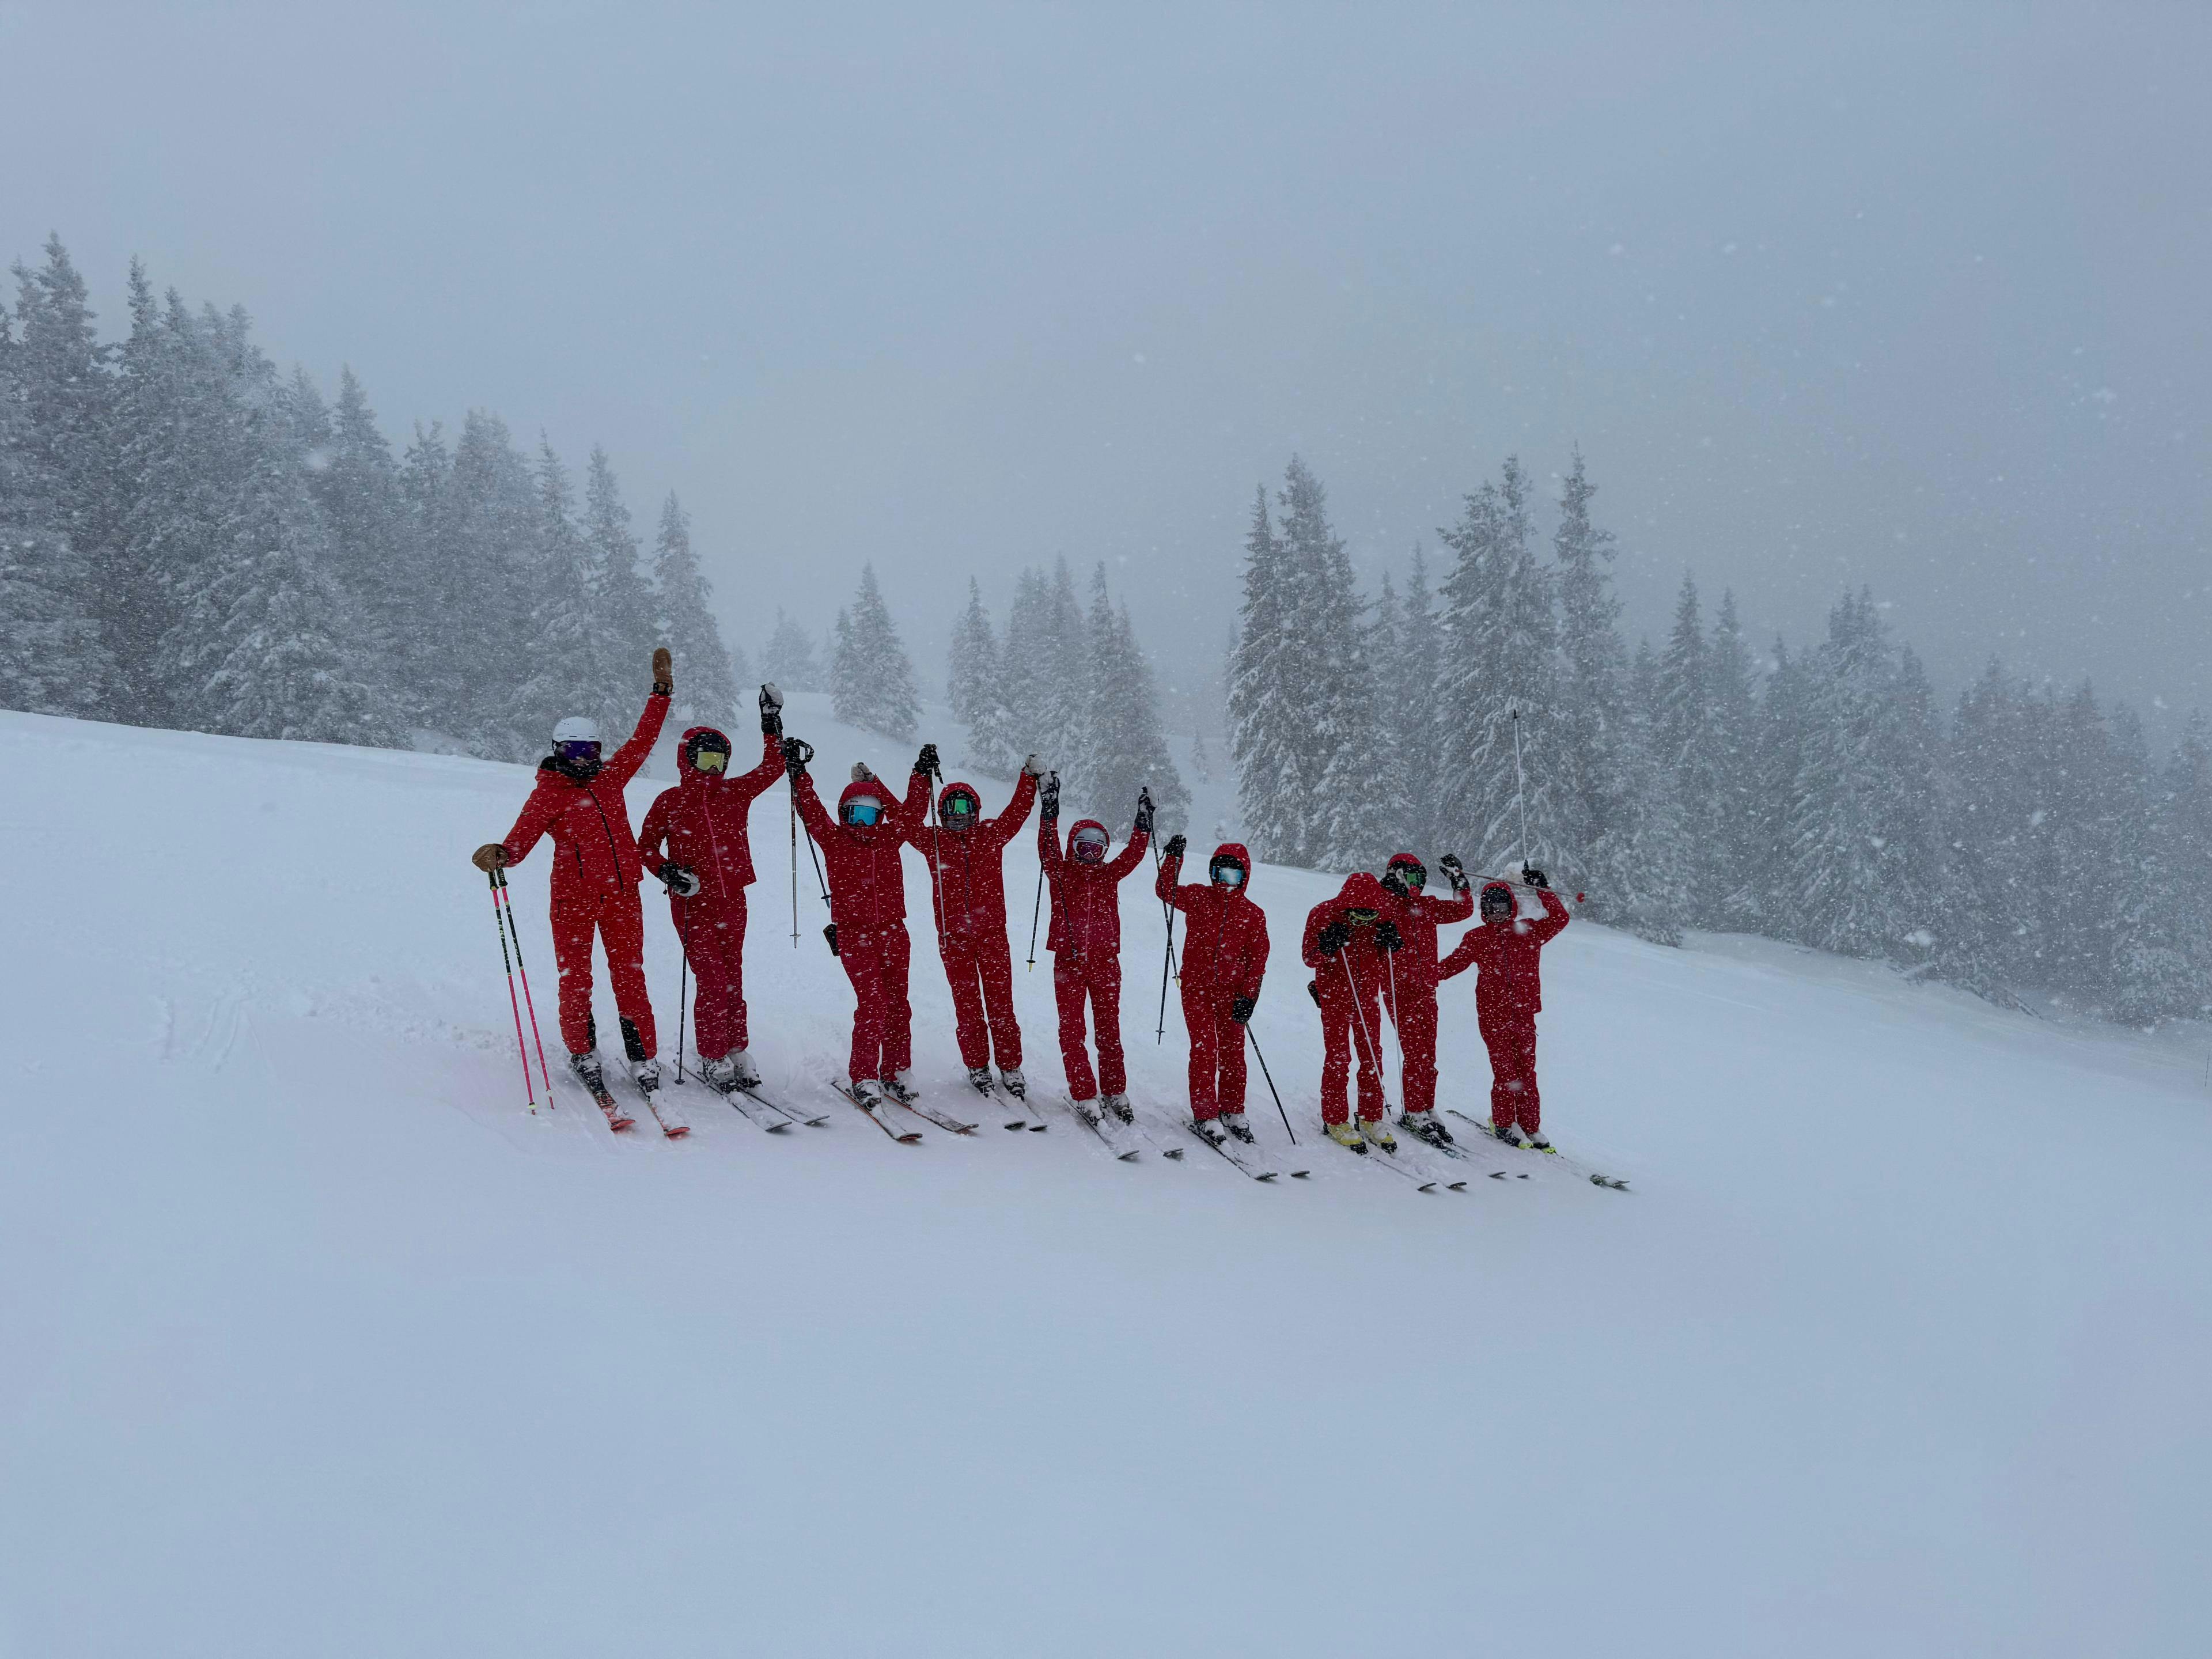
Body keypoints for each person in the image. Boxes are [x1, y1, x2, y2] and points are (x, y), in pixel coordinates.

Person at [472, 649, 673, 1100]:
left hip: (623, 896)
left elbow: (643, 740)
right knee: (576, 979)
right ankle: (583, 1052)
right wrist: (501, 853)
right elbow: (520, 839)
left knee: (630, 976)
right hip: (573, 901)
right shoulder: (549, 793)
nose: (584, 758)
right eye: (574, 750)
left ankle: (643, 1057)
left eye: (592, 750)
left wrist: (661, 693)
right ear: (558, 751)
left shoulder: (610, 779)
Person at [636, 685, 789, 1093]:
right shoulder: (670, 801)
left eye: (719, 759)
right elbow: (645, 848)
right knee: (712, 979)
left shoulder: (735, 793)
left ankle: (737, 1048)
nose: (713, 767)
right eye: (705, 759)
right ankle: (712, 1053)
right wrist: (668, 872)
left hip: (733, 900)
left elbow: (773, 768)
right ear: (687, 760)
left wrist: (770, 723)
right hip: (691, 905)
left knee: (733, 977)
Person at [788, 740, 927, 1109]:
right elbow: (811, 811)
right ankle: (864, 1075)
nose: (863, 823)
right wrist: (800, 775)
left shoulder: (891, 838)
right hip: (855, 934)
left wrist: (921, 775)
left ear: (880, 817)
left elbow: (912, 815)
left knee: (899, 1003)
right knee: (873, 1004)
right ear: (844, 814)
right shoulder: (833, 839)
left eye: (871, 815)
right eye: (856, 814)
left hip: (895, 932)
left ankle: (897, 1071)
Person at [906, 746, 1042, 1097]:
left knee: (1001, 1004)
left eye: (966, 807)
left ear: (977, 811)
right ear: (941, 811)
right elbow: (905, 822)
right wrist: (921, 775)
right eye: (951, 808)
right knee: (967, 1005)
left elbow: (1017, 813)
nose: (958, 815)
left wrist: (1028, 779)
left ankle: (1010, 1067)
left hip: (992, 935)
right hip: (954, 939)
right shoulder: (933, 841)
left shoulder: (991, 835)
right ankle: (978, 1065)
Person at [1038, 778, 1153, 1120]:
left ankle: (1115, 1091)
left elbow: (1134, 854)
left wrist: (1142, 822)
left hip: (1106, 963)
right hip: (1068, 963)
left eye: (1097, 847)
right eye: (1083, 846)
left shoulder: (1109, 875)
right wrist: (1049, 813)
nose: (1090, 853)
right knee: (1072, 1031)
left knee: (1109, 1031)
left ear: (1104, 851)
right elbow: (1046, 846)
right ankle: (1084, 1093)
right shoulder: (1059, 871)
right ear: (1073, 847)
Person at [1437, 868, 1571, 1149]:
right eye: (1490, 908)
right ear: (1484, 910)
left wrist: (1542, 889)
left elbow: (1561, 918)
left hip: (1524, 1016)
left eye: (1501, 907)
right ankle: (1503, 1123)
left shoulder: (1529, 931)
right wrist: (1422, 976)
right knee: (1506, 1073)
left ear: (1511, 907)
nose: (1496, 912)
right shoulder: (1477, 938)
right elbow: (1452, 965)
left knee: (1527, 1074)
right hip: (1492, 1016)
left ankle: (1530, 1127)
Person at [1154, 836, 1270, 1146]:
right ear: (1211, 873)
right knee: (1205, 1049)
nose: (1225, 881)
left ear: (1244, 876)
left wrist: (1249, 996)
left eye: (1233, 875)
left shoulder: (1253, 914)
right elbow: (1165, 891)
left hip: (1233, 994)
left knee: (1234, 1051)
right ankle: (1206, 1113)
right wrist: (1173, 860)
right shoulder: (1198, 897)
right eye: (1219, 873)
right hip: (1196, 989)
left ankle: (1233, 1109)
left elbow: (1258, 960)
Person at [1376, 852, 1475, 1145]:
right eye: (1411, 877)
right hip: (1398, 988)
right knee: (1416, 1050)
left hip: (1426, 989)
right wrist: (1380, 924)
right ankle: (1414, 1109)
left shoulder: (1426, 906)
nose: (1416, 884)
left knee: (1428, 1053)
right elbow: (1359, 922)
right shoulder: (1383, 903)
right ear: (1396, 875)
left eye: (1421, 878)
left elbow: (1463, 909)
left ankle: (1426, 1105)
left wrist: (1459, 880)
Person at [1303, 871, 1402, 1152]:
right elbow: (1309, 956)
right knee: (1338, 1056)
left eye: (1370, 916)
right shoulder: (1323, 914)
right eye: (1358, 915)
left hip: (1367, 996)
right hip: (1335, 995)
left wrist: (1391, 943)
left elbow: (1386, 957)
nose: (1364, 921)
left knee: (1372, 1055)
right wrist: (1327, 946)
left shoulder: (1381, 918)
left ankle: (1371, 1117)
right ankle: (1335, 1119)